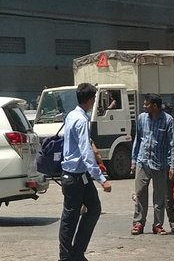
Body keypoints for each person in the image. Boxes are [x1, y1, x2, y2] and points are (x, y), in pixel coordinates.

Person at [58, 82, 111, 261]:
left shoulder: (72, 115)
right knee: (70, 218)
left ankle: (76, 253)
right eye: (94, 98)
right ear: (89, 100)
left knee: (93, 209)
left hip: (79, 176)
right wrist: (101, 178)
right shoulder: (80, 120)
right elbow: (85, 151)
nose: (95, 101)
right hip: (75, 177)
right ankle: (67, 257)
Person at [129, 94, 174, 235]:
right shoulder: (141, 118)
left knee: (159, 196)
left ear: (154, 106)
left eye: (146, 104)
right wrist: (133, 160)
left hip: (160, 163)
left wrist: (173, 166)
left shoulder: (168, 120)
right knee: (140, 193)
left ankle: (157, 225)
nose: (144, 106)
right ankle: (138, 223)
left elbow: (173, 144)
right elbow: (138, 140)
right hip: (142, 162)